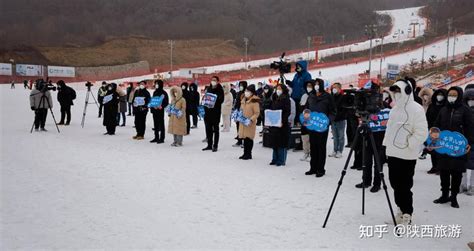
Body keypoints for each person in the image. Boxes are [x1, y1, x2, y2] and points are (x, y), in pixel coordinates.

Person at [383, 78, 428, 225]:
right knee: (395, 183)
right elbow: (389, 130)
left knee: (405, 185)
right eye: (394, 92)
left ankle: (408, 212)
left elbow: (422, 132)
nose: (396, 95)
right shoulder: (394, 109)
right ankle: (400, 209)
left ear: (406, 92)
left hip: (408, 155)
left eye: (398, 92)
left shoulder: (417, 109)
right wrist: (386, 146)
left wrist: (410, 144)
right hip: (393, 153)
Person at [433, 86, 473, 208]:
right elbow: (437, 125)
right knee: (444, 171)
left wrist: (469, 143)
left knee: (456, 173)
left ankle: (454, 196)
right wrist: (434, 136)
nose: (452, 97)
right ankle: (444, 194)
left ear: (460, 96)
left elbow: (470, 129)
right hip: (444, 146)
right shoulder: (444, 110)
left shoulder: (465, 110)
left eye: (454, 95)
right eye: (450, 94)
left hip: (458, 147)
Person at [304, 79, 336, 178]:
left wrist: (328, 121)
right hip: (312, 125)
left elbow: (333, 111)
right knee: (313, 147)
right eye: (315, 84)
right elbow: (306, 109)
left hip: (322, 126)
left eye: (318, 84)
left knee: (321, 147)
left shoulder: (327, 96)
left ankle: (320, 169)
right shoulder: (311, 96)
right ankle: (313, 168)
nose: (316, 86)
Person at [423, 88, 447, 172]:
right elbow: (427, 117)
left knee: (441, 150)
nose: (439, 97)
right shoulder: (432, 105)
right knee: (433, 149)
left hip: (443, 130)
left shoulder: (446, 106)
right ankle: (434, 166)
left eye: (441, 95)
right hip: (432, 130)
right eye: (438, 94)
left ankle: (441, 168)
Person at [268, 84, 291, 166]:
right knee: (275, 142)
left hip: (282, 124)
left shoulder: (286, 99)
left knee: (282, 143)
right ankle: (274, 159)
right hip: (274, 123)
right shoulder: (274, 98)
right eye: (277, 88)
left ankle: (281, 160)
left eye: (280, 88)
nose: (278, 90)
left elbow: (287, 112)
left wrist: (282, 121)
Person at [238, 85, 260, 159]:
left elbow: (257, 113)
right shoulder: (243, 101)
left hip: (250, 123)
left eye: (248, 91)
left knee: (249, 138)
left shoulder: (254, 102)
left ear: (252, 93)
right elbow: (241, 110)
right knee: (244, 138)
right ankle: (245, 153)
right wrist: (238, 115)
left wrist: (251, 119)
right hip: (243, 122)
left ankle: (249, 154)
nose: (246, 92)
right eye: (246, 91)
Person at [203, 76, 224, 152]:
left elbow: (221, 100)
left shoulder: (220, 90)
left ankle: (215, 145)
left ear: (218, 81)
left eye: (214, 80)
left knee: (216, 130)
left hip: (215, 113)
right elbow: (205, 98)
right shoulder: (209, 88)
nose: (213, 81)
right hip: (208, 113)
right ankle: (209, 144)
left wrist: (215, 98)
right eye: (212, 80)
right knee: (208, 129)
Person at [288, 60, 312, 124]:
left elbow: (308, 86)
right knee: (294, 111)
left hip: (301, 97)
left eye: (299, 66)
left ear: (303, 66)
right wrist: (290, 83)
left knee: (300, 111)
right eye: (297, 66)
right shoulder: (296, 75)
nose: (297, 67)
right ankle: (295, 122)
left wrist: (303, 94)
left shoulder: (307, 75)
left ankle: (301, 123)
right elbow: (293, 84)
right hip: (294, 96)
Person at [462, 85, 474, 195]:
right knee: (462, 162)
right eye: (469, 99)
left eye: (473, 99)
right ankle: (463, 184)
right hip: (463, 140)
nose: (471, 101)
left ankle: (472, 185)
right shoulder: (462, 110)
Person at [329, 83, 346, 158]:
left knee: (341, 136)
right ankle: (335, 150)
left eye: (335, 87)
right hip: (333, 120)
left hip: (340, 120)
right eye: (333, 88)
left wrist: (339, 116)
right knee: (335, 136)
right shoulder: (331, 97)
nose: (334, 89)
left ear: (339, 88)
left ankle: (340, 151)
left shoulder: (343, 97)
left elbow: (344, 109)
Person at [299, 81, 311, 162]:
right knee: (304, 137)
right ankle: (306, 152)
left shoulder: (313, 96)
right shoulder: (304, 96)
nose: (308, 87)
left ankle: (311, 153)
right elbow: (301, 107)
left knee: (311, 138)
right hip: (304, 119)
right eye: (307, 86)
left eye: (310, 86)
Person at [233, 81, 247, 147]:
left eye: (242, 85)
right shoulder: (238, 93)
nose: (241, 86)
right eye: (240, 85)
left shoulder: (247, 93)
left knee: (244, 127)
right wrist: (235, 109)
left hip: (244, 112)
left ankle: (245, 141)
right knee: (238, 126)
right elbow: (236, 102)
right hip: (238, 111)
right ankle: (239, 140)